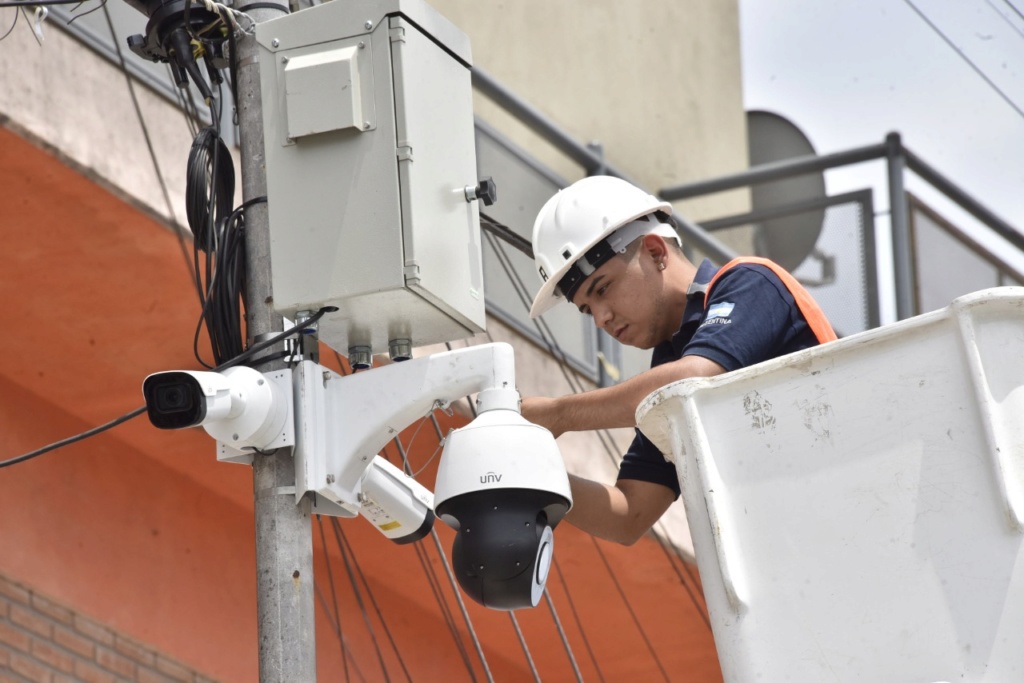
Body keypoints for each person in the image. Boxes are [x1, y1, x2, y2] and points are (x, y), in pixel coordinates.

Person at [520, 175, 836, 545]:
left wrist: (558, 414)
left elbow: (691, 381)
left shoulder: (751, 282)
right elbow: (628, 514)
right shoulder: (671, 367)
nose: (602, 317)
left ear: (655, 252)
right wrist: (531, 473)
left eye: (603, 288)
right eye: (588, 311)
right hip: (797, 548)